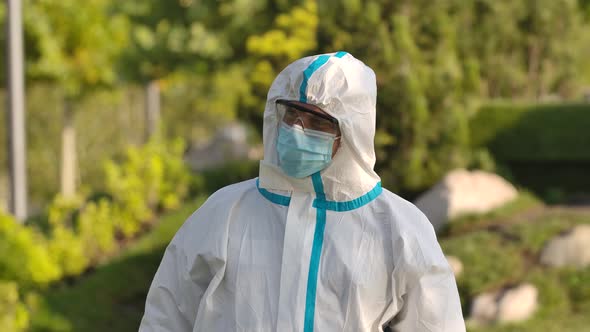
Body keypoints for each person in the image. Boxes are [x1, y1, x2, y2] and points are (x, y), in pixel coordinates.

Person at [139, 52, 466, 332]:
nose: (297, 130)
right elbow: (166, 316)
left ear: (351, 132)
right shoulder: (224, 213)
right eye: (291, 115)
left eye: (317, 122)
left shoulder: (400, 228)